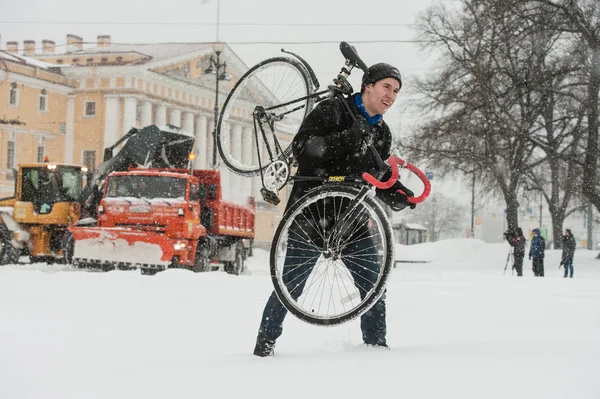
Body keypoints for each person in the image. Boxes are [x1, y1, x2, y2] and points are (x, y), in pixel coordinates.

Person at [253, 63, 415, 357]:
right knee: (290, 287)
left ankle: (376, 350)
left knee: (374, 287)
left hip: (351, 221)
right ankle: (263, 347)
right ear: (368, 86)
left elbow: (376, 175)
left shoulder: (382, 133)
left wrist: (396, 192)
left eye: (396, 91)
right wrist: (349, 137)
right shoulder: (332, 110)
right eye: (386, 87)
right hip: (312, 216)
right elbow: (303, 149)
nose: (391, 95)